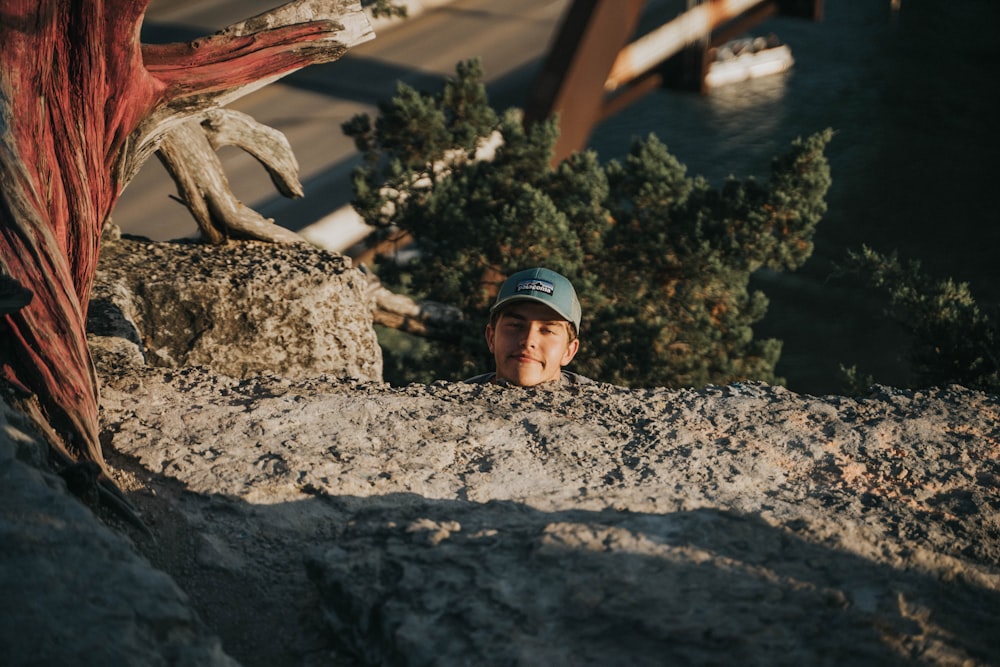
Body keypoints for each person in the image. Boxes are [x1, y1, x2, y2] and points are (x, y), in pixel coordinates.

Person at [465, 267, 592, 387]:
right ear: (491, 337)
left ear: (569, 351)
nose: (528, 341)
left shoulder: (593, 403)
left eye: (547, 330)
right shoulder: (459, 399)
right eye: (515, 325)